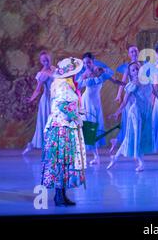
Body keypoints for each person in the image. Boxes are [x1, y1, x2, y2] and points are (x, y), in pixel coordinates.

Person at [107, 62, 158, 171]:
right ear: (130, 73)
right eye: (133, 70)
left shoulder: (147, 81)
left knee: (133, 137)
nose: (136, 71)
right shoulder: (132, 85)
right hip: (136, 113)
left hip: (146, 113)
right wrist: (117, 112)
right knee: (136, 136)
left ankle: (115, 158)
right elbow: (124, 102)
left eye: (137, 69)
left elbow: (156, 95)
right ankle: (140, 163)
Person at [41, 57, 86, 206]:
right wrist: (76, 116)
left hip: (66, 127)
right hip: (61, 128)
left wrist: (78, 113)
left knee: (66, 161)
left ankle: (62, 194)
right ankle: (59, 195)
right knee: (61, 161)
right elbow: (61, 105)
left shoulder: (67, 84)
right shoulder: (61, 85)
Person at [78, 52, 114, 165]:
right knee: (89, 128)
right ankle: (95, 155)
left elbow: (110, 75)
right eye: (84, 63)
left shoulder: (99, 71)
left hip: (96, 103)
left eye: (88, 62)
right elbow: (78, 86)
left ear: (92, 62)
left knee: (96, 128)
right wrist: (83, 77)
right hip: (86, 102)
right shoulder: (84, 74)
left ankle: (98, 153)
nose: (86, 64)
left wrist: (102, 70)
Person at [23, 51, 56, 155]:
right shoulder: (42, 74)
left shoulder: (55, 69)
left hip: (55, 99)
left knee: (56, 123)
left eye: (47, 60)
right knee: (46, 123)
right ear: (41, 62)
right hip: (47, 101)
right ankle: (35, 145)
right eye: (43, 61)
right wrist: (31, 99)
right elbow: (38, 90)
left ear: (50, 59)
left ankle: (51, 146)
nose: (46, 62)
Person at [110, 45, 140, 153]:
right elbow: (123, 82)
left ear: (138, 52)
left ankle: (119, 141)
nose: (133, 53)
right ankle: (122, 142)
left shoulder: (141, 66)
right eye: (131, 52)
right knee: (129, 122)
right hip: (130, 97)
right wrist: (118, 94)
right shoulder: (129, 67)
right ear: (129, 54)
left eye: (135, 51)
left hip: (139, 97)